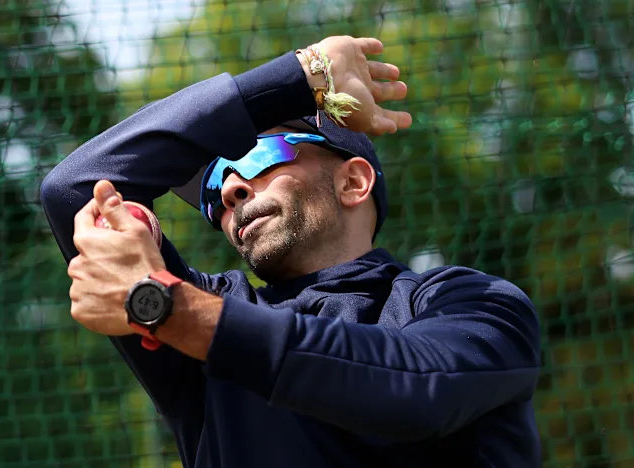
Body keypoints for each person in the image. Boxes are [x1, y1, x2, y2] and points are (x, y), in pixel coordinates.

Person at [40, 36, 542, 467]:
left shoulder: (472, 301)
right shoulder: (210, 313)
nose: (231, 189)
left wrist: (171, 310)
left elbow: (417, 389)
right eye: (214, 187)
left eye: (259, 157)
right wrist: (300, 76)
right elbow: (75, 187)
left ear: (353, 182)